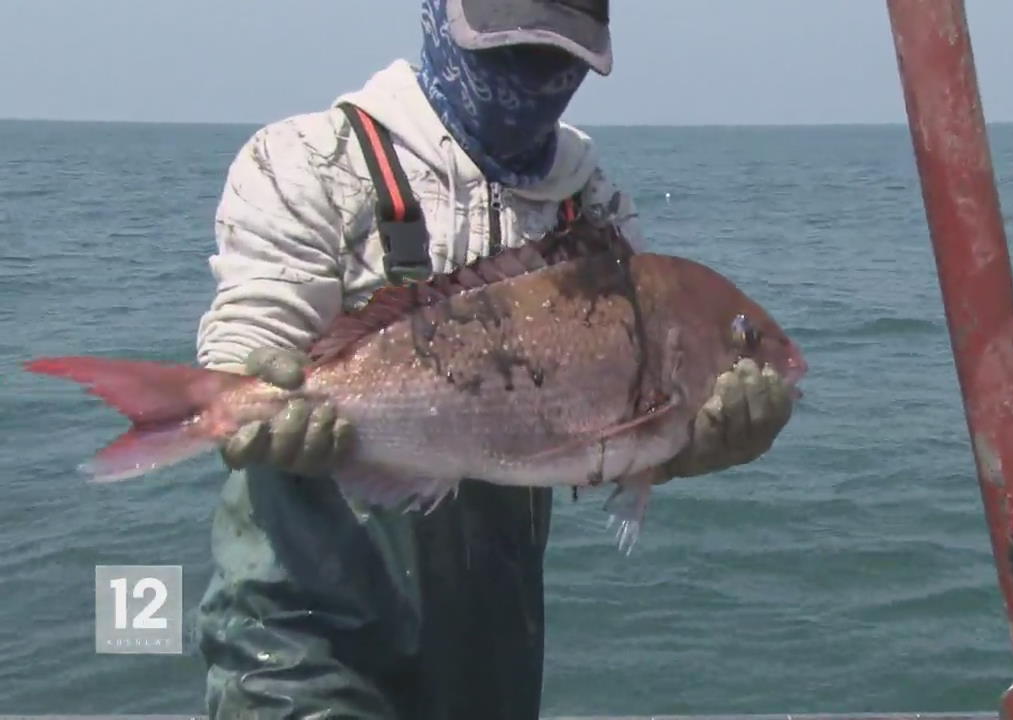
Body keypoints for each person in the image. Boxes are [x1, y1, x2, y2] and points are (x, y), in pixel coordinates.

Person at [191, 1, 796, 718]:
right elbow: (251, 330)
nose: (532, 77)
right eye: (507, 47)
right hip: (298, 642)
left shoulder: (594, 209)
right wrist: (250, 395)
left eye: (558, 57)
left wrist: (686, 447)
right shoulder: (311, 160)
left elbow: (603, 431)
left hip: (491, 650)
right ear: (437, 16)